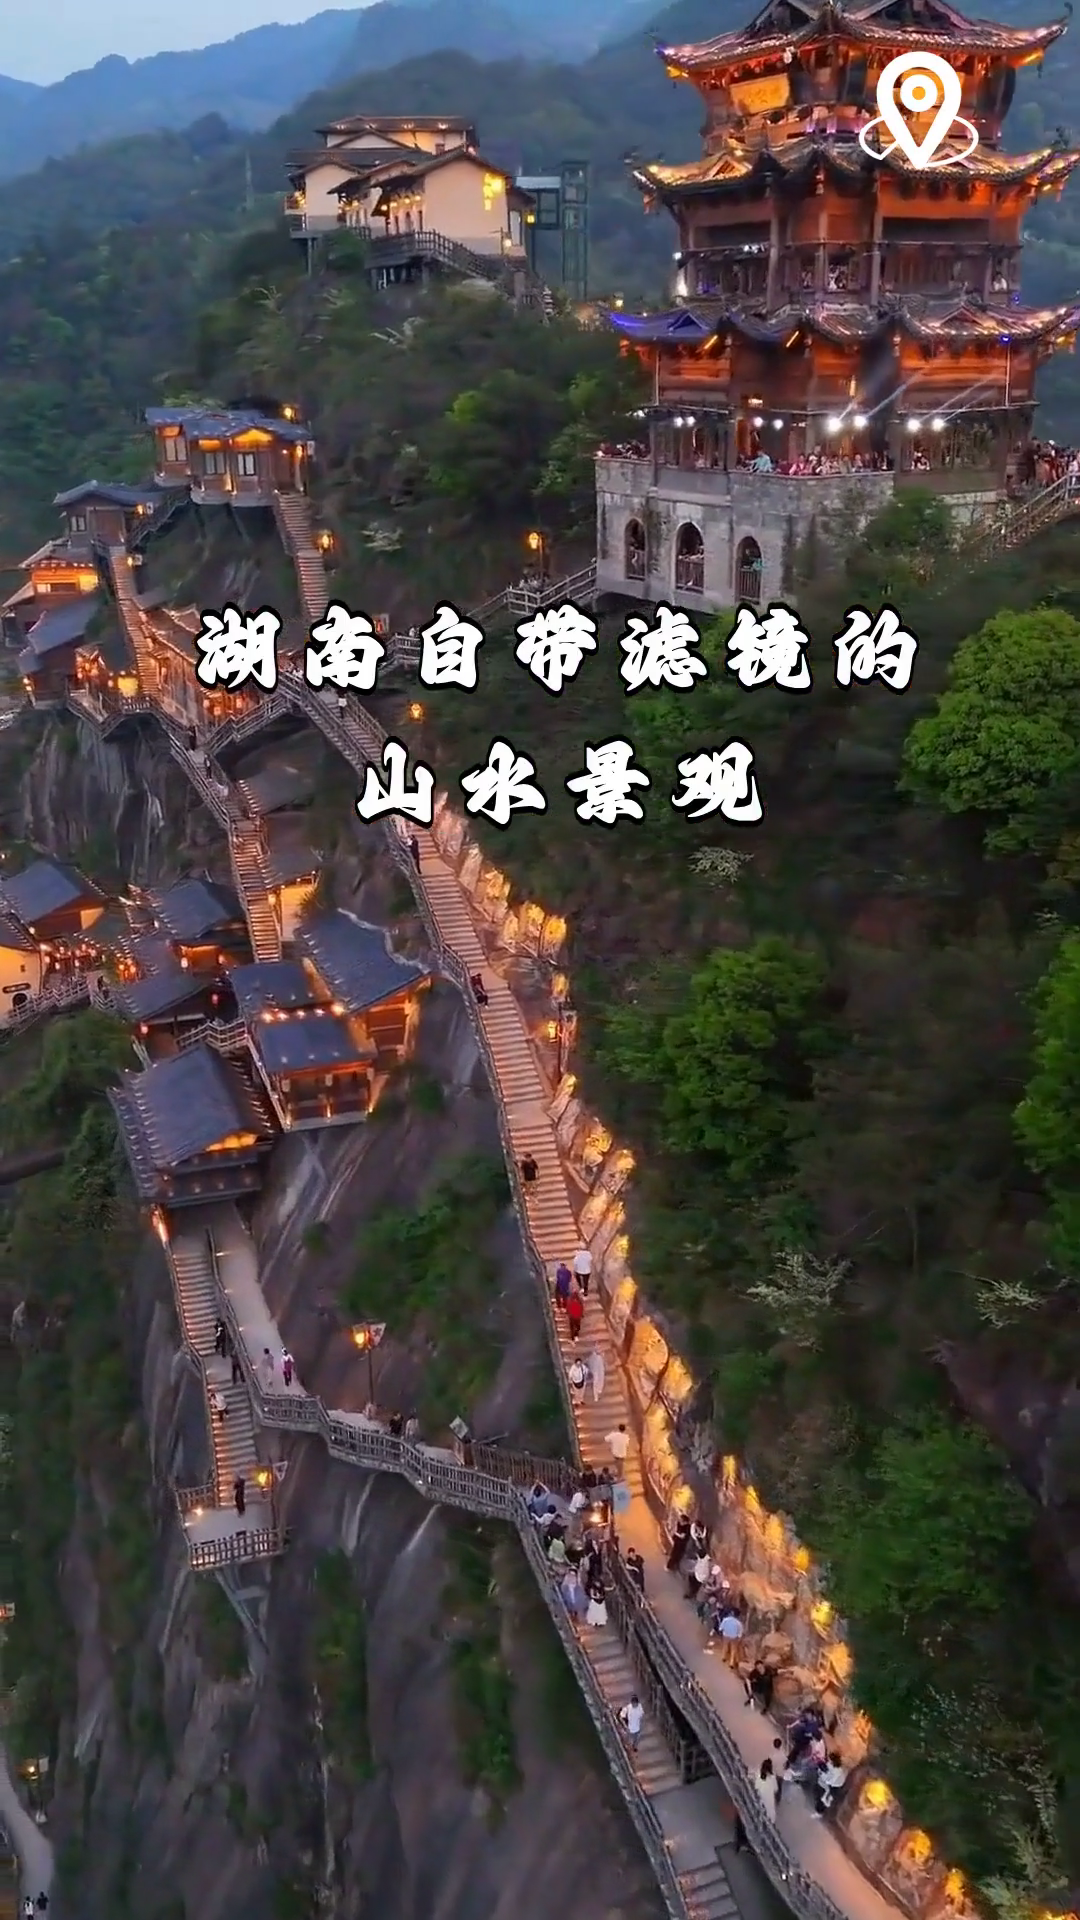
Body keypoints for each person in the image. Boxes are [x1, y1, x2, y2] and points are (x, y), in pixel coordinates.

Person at [718, 1605, 744, 1669]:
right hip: (734, 1637)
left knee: (725, 1646)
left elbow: (720, 1628)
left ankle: (723, 1657)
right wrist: (739, 1638)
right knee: (733, 1649)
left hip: (726, 1635)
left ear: (732, 1613)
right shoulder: (739, 1623)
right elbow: (740, 1632)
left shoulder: (726, 1620)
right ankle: (731, 1663)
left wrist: (722, 1633)